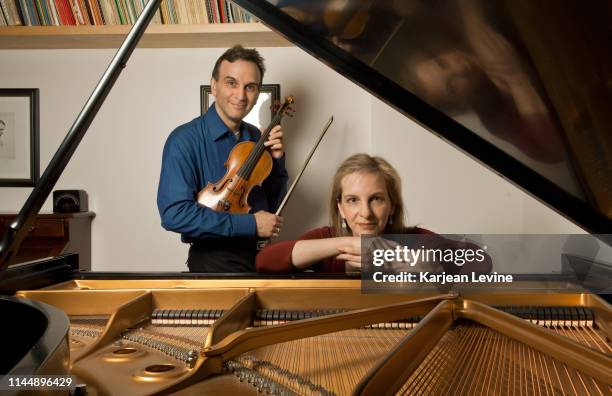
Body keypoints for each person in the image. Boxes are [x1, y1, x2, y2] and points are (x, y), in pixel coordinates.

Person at [157, 45, 288, 273]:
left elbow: (270, 207)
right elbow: (174, 214)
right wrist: (250, 225)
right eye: (231, 83)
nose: (240, 95)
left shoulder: (257, 137)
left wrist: (276, 161)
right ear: (214, 86)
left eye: (250, 87)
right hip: (214, 262)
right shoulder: (185, 139)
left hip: (260, 256)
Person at [255, 154, 427, 273]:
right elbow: (264, 261)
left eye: (376, 199)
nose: (366, 213)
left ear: (393, 206)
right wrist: (349, 243)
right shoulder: (327, 237)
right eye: (353, 200)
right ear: (341, 208)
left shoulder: (413, 239)